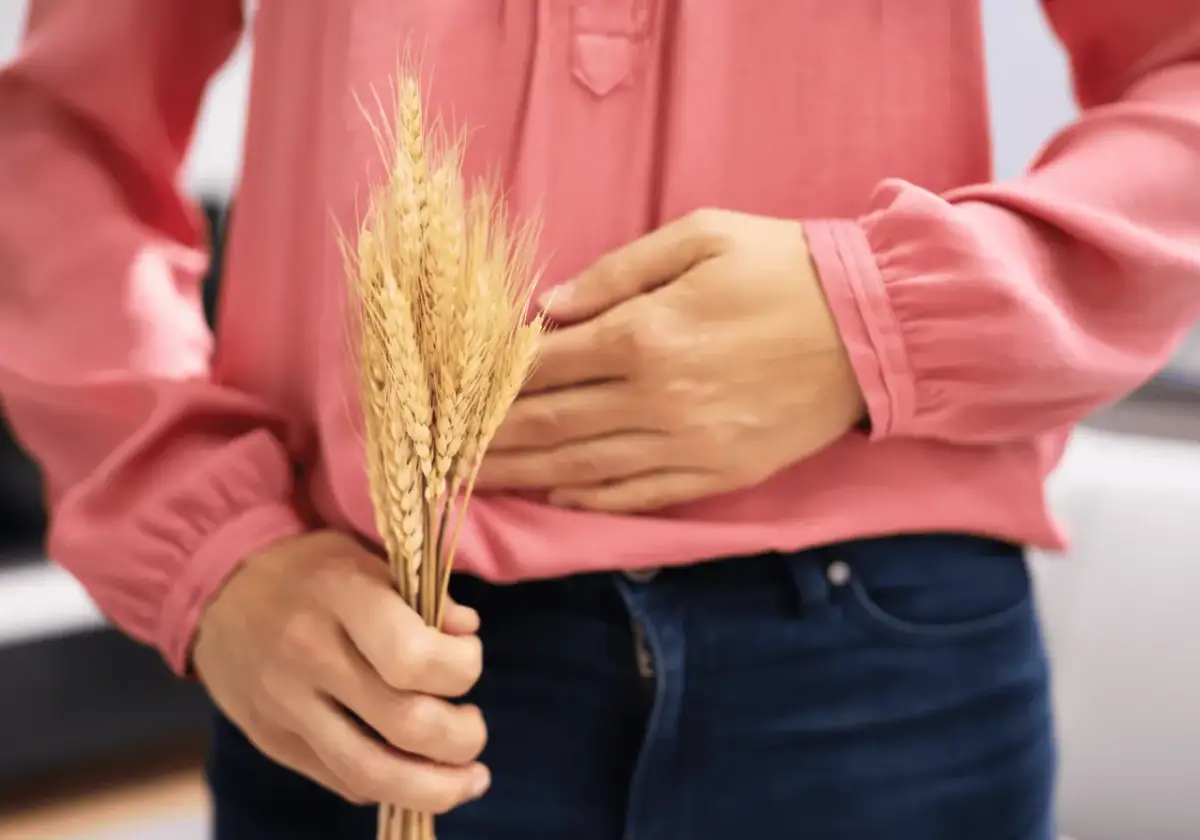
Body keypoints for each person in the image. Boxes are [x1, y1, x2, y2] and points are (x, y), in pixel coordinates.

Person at [2, 1, 1199, 838]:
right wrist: (208, 551)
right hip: (374, 673)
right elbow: (62, 133)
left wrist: (882, 316)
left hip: (883, 671)